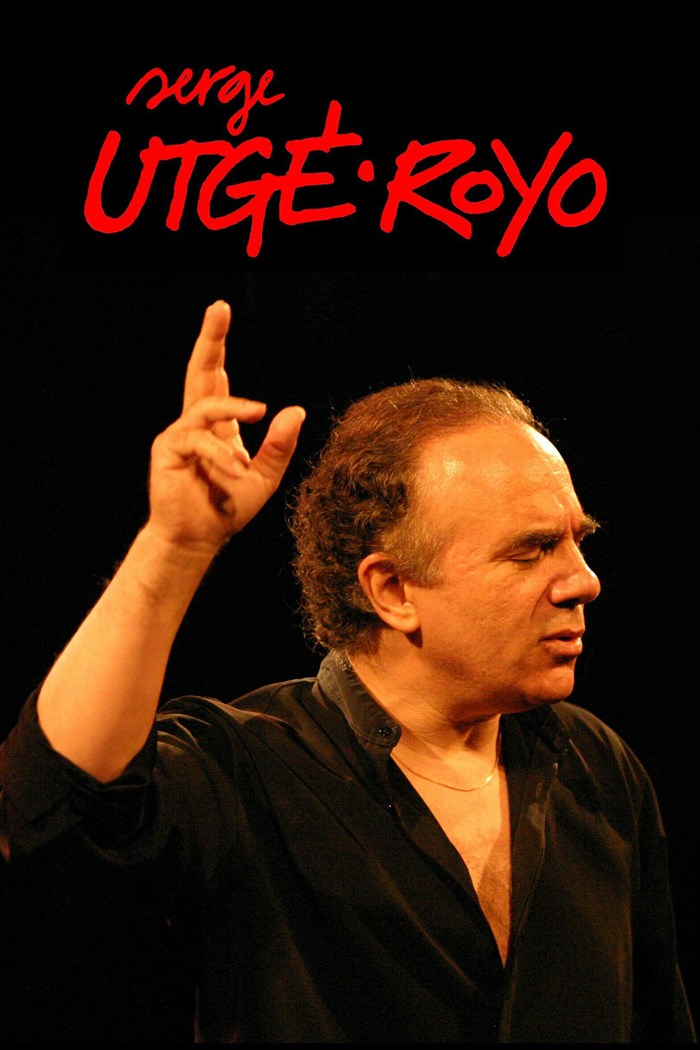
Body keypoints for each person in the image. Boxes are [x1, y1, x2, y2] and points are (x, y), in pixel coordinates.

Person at [0, 300, 695, 1043]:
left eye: (578, 541)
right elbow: (50, 803)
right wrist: (175, 548)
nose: (584, 580)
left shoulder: (598, 768)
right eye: (532, 550)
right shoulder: (243, 769)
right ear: (392, 590)